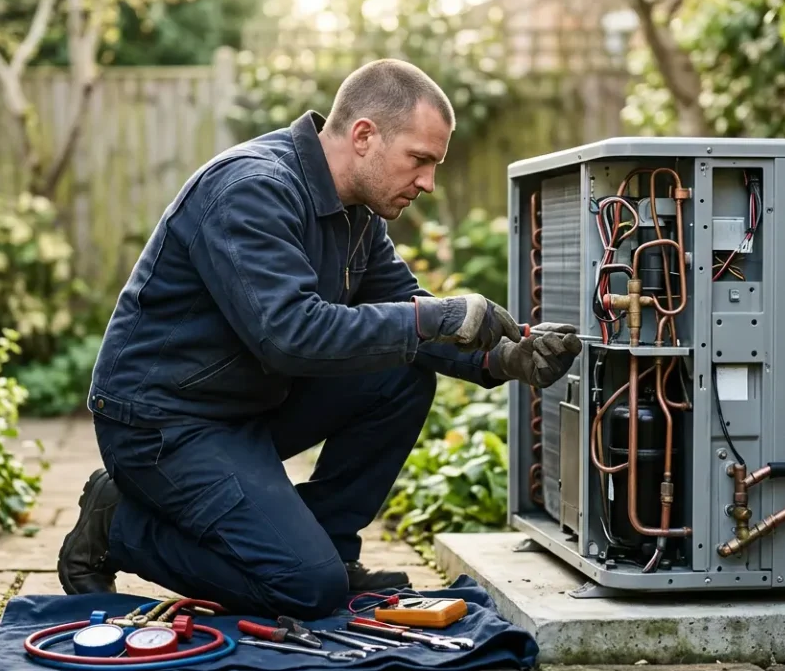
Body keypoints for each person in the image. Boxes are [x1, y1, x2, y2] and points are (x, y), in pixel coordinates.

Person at [57, 58, 583, 620]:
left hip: (247, 410)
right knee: (307, 591)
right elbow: (288, 334)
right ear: (364, 136)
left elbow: (410, 319)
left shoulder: (356, 215)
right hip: (163, 425)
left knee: (400, 373)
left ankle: (326, 545)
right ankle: (117, 524)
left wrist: (504, 359)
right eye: (420, 160)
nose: (428, 182)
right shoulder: (252, 190)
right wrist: (437, 317)